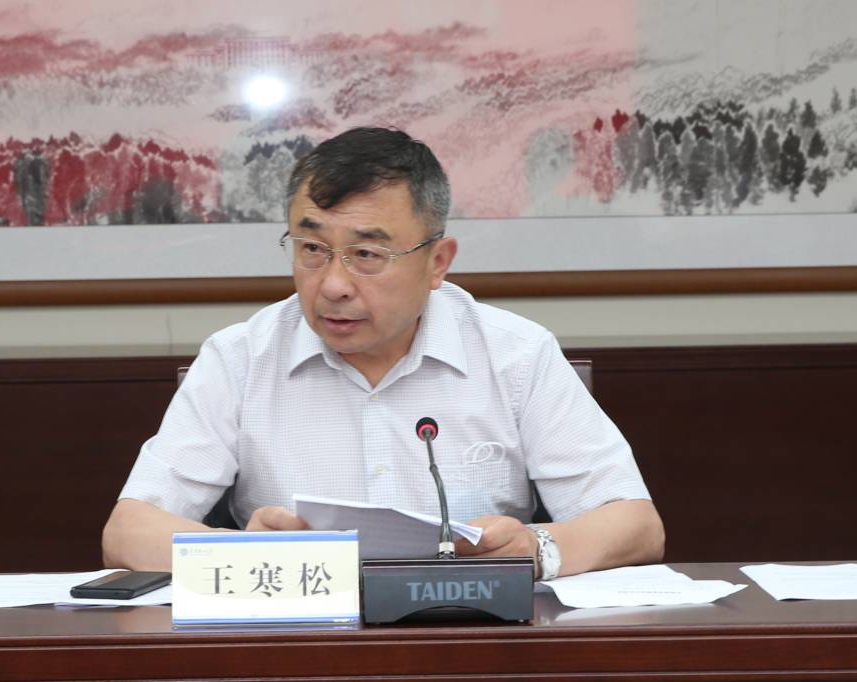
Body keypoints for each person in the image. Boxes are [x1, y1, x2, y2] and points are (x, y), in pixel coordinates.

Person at [102, 127, 664, 578]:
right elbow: (128, 532)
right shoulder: (240, 359)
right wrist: (245, 555)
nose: (333, 285)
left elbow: (636, 524)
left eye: (367, 255)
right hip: (298, 648)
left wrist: (537, 548)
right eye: (312, 248)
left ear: (437, 262)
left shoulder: (515, 356)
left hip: (473, 642)